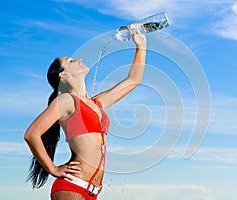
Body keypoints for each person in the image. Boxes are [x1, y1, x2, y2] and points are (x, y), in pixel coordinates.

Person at [24, 25, 146, 200]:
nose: (78, 59)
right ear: (63, 75)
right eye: (70, 61)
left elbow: (133, 80)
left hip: (92, 190)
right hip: (71, 186)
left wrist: (140, 46)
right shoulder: (66, 101)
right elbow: (31, 134)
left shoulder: (97, 103)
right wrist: (53, 169)